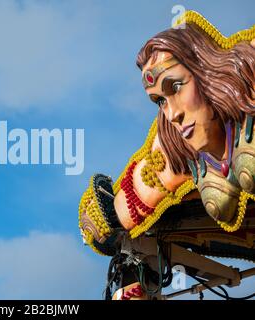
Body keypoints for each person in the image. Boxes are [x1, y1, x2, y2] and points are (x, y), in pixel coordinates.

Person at [78, 11, 255, 300]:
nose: (172, 113)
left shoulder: (245, 72)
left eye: (176, 87)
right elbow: (113, 212)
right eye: (159, 100)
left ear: (205, 71)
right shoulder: (173, 148)